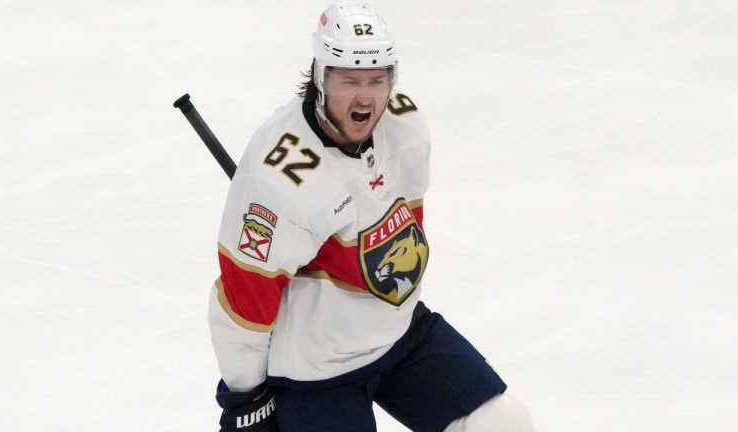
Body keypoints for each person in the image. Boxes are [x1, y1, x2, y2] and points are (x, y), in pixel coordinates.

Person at [207, 4, 536, 431]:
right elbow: (242, 300)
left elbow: (404, 225)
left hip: (398, 331)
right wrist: (246, 399)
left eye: (376, 80)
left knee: (502, 422)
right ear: (320, 78)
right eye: (349, 81)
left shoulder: (404, 124)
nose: (365, 97)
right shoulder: (279, 181)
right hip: (316, 369)